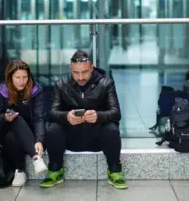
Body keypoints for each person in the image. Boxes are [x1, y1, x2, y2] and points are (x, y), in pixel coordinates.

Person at [41, 51, 127, 189]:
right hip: (71, 137)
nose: (80, 77)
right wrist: (66, 117)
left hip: (97, 137)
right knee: (53, 129)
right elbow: (51, 113)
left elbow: (116, 113)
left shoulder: (106, 83)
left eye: (85, 72)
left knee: (111, 128)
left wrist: (98, 116)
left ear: (92, 68)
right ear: (71, 69)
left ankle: (114, 169)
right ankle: (55, 169)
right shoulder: (61, 84)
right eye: (76, 73)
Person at [0, 60, 48, 187]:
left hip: (27, 134)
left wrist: (39, 140)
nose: (22, 81)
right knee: (15, 118)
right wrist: (5, 117)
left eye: (25, 77)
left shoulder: (35, 91)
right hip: (3, 131)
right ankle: (36, 158)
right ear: (10, 77)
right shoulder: (2, 91)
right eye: (18, 77)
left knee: (13, 135)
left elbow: (39, 118)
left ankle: (20, 171)